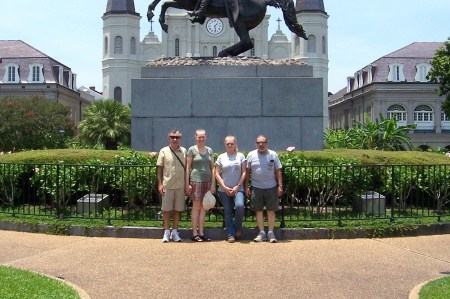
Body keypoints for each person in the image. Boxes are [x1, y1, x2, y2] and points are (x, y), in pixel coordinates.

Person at [245, 135, 283, 243]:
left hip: (271, 187)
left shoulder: (273, 154)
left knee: (271, 210)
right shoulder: (251, 155)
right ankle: (261, 232)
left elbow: (278, 171)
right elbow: (247, 173)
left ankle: (271, 232)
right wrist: (246, 186)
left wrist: (280, 186)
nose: (261, 145)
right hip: (256, 187)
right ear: (256, 143)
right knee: (258, 210)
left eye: (263, 142)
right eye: (258, 142)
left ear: (267, 143)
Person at [156, 129, 187, 243]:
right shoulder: (163, 151)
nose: (175, 139)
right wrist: (160, 184)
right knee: (166, 210)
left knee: (177, 210)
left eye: (177, 137)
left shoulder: (184, 151)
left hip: (180, 185)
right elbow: (160, 169)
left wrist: (187, 184)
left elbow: (187, 169)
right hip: (167, 185)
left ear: (180, 138)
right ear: (169, 138)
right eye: (172, 137)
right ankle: (166, 232)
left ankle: (175, 232)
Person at [215, 136, 246, 243]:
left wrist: (238, 186)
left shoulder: (240, 156)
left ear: (235, 144)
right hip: (224, 190)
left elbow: (244, 172)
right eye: (227, 143)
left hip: (238, 188)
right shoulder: (221, 157)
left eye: (231, 143)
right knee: (227, 212)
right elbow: (217, 174)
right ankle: (230, 234)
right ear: (225, 144)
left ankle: (237, 229)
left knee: (240, 206)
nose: (229, 145)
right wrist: (224, 187)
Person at [186, 129, 216, 242]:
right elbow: (188, 168)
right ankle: (194, 233)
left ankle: (201, 232)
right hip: (195, 181)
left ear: (206, 137)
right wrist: (187, 183)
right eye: (199, 137)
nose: (201, 139)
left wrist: (213, 183)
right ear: (195, 137)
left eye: (203, 137)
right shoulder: (191, 150)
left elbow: (213, 167)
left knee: (204, 207)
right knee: (196, 207)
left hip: (207, 182)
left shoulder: (209, 150)